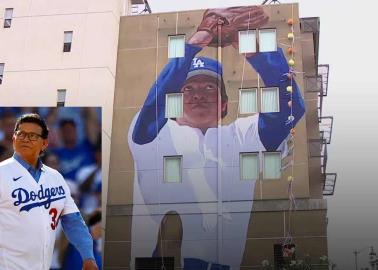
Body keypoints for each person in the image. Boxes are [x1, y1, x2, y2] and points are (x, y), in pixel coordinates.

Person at [128, 6, 305, 270]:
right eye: (188, 88)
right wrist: (195, 42)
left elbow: (290, 107)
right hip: (159, 263)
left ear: (224, 104)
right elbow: (156, 102)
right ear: (175, 99)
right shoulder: (155, 133)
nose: (198, 94)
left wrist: (254, 51)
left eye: (209, 87)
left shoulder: (241, 135)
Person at [0, 113, 98, 270]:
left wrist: (88, 256)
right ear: (13, 139)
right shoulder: (2, 173)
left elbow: (73, 221)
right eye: (21, 134)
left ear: (44, 143)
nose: (25, 139)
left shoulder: (56, 177)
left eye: (32, 136)